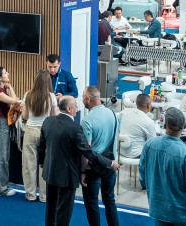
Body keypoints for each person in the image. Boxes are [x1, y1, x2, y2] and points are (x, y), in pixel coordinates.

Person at [38, 96, 118, 226]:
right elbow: (88, 152)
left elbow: (41, 146)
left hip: (50, 172)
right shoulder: (75, 128)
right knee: (63, 213)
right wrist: (109, 163)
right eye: (75, 105)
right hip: (67, 177)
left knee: (51, 210)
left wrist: (42, 163)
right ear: (69, 109)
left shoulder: (48, 121)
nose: (77, 108)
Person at [80, 86, 120, 226]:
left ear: (88, 99)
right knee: (109, 200)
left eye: (83, 97)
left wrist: (82, 171)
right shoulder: (114, 114)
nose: (82, 100)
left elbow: (86, 150)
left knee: (91, 202)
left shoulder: (87, 120)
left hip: (93, 167)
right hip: (110, 163)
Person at [22, 70, 59, 202]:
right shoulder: (51, 97)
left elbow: (24, 116)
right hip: (46, 132)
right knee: (45, 164)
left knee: (29, 165)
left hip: (30, 131)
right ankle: (44, 196)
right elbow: (54, 116)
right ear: (48, 82)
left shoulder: (28, 95)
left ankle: (30, 194)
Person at [0, 67, 20, 197]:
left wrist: (9, 87)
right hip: (0, 125)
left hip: (4, 125)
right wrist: (10, 87)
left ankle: (2, 185)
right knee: (0, 159)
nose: (8, 74)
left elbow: (14, 101)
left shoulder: (2, 90)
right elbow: (15, 101)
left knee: (4, 158)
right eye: (5, 73)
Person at [118, 94, 157, 159]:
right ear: (148, 105)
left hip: (119, 151)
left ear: (136, 103)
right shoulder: (148, 122)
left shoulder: (124, 112)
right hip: (136, 155)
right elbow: (153, 144)